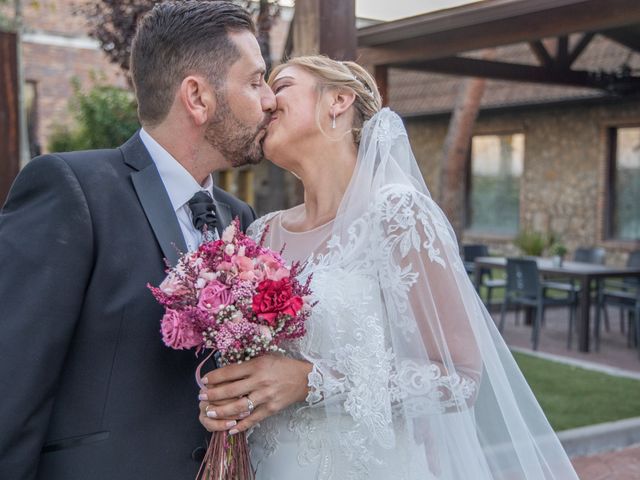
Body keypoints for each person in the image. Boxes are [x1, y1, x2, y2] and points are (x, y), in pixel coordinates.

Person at [198, 56, 580, 479]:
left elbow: (459, 377)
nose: (267, 101)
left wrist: (314, 382)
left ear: (338, 101)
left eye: (282, 85)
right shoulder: (262, 232)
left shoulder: (398, 214)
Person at [0, 2, 276, 479]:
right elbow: (11, 382)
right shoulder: (71, 189)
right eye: (254, 81)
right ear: (197, 97)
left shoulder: (240, 217)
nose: (270, 99)